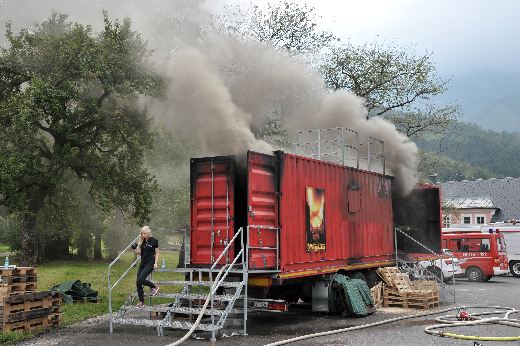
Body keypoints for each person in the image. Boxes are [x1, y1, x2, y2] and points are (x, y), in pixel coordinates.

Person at [133, 225, 160, 308]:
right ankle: (141, 302)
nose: (143, 235)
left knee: (141, 279)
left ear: (149, 232)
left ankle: (154, 287)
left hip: (150, 262)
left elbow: (157, 253)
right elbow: (140, 253)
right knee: (138, 282)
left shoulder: (154, 241)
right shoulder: (142, 242)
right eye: (142, 233)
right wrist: (134, 249)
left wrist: (155, 263)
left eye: (144, 233)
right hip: (143, 263)